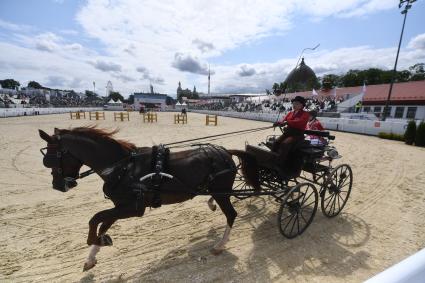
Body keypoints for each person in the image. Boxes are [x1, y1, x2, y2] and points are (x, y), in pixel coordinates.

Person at [272, 96, 309, 165]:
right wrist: (278, 123)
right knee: (276, 142)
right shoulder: (290, 113)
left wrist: (287, 122)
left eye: (297, 103)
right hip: (288, 133)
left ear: (302, 105)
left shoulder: (305, 114)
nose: (294, 105)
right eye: (294, 103)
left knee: (285, 144)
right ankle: (272, 158)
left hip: (297, 135)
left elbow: (299, 122)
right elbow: (283, 121)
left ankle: (280, 163)